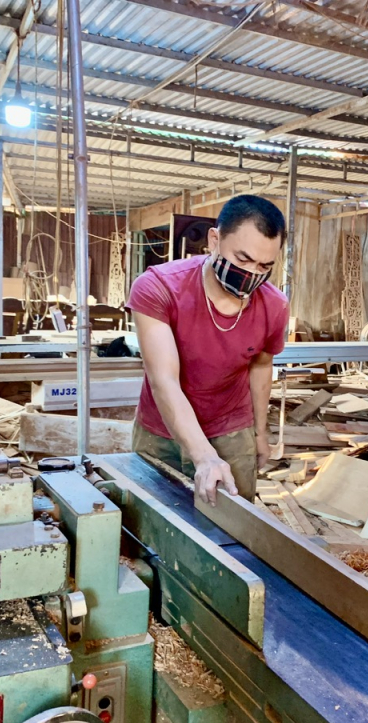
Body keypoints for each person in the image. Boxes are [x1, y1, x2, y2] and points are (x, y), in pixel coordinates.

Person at [126, 195, 289, 505]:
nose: (252, 274)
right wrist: (205, 457)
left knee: (232, 525)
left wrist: (259, 433)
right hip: (160, 431)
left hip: (231, 431)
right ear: (215, 240)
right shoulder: (159, 287)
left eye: (264, 266)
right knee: (152, 521)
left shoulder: (274, 306)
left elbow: (261, 365)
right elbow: (164, 381)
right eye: (242, 259)